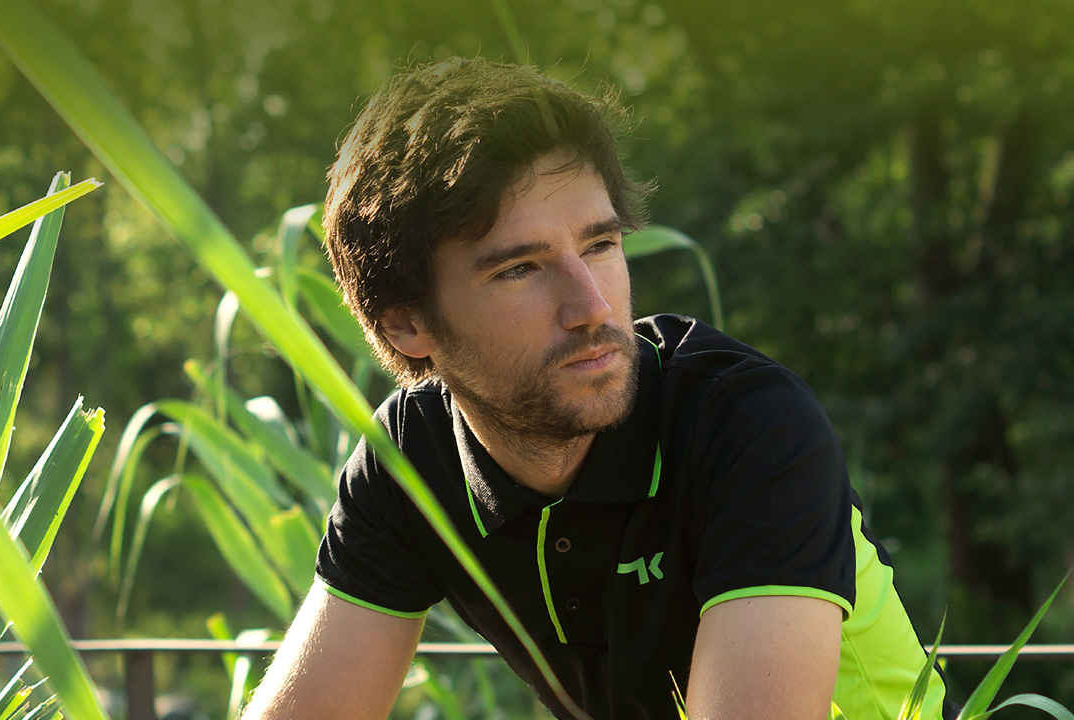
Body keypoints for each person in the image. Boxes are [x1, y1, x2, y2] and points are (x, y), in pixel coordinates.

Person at [242, 56, 955, 720]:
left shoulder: (748, 424)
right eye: (519, 269)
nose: (593, 307)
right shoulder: (411, 461)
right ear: (407, 324)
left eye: (600, 245)